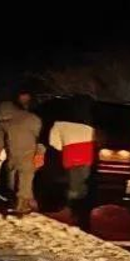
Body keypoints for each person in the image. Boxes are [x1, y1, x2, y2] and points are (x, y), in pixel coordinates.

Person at [45, 96, 96, 228]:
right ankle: (82, 215)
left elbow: (55, 144)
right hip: (87, 156)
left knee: (74, 186)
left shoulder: (59, 125)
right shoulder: (90, 125)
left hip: (71, 157)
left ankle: (73, 214)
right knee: (83, 185)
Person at [0, 88, 42, 215]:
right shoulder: (32, 119)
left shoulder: (4, 121)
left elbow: (0, 137)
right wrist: (40, 153)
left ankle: (15, 200)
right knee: (25, 178)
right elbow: (40, 138)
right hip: (28, 152)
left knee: (12, 177)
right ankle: (21, 205)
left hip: (12, 153)